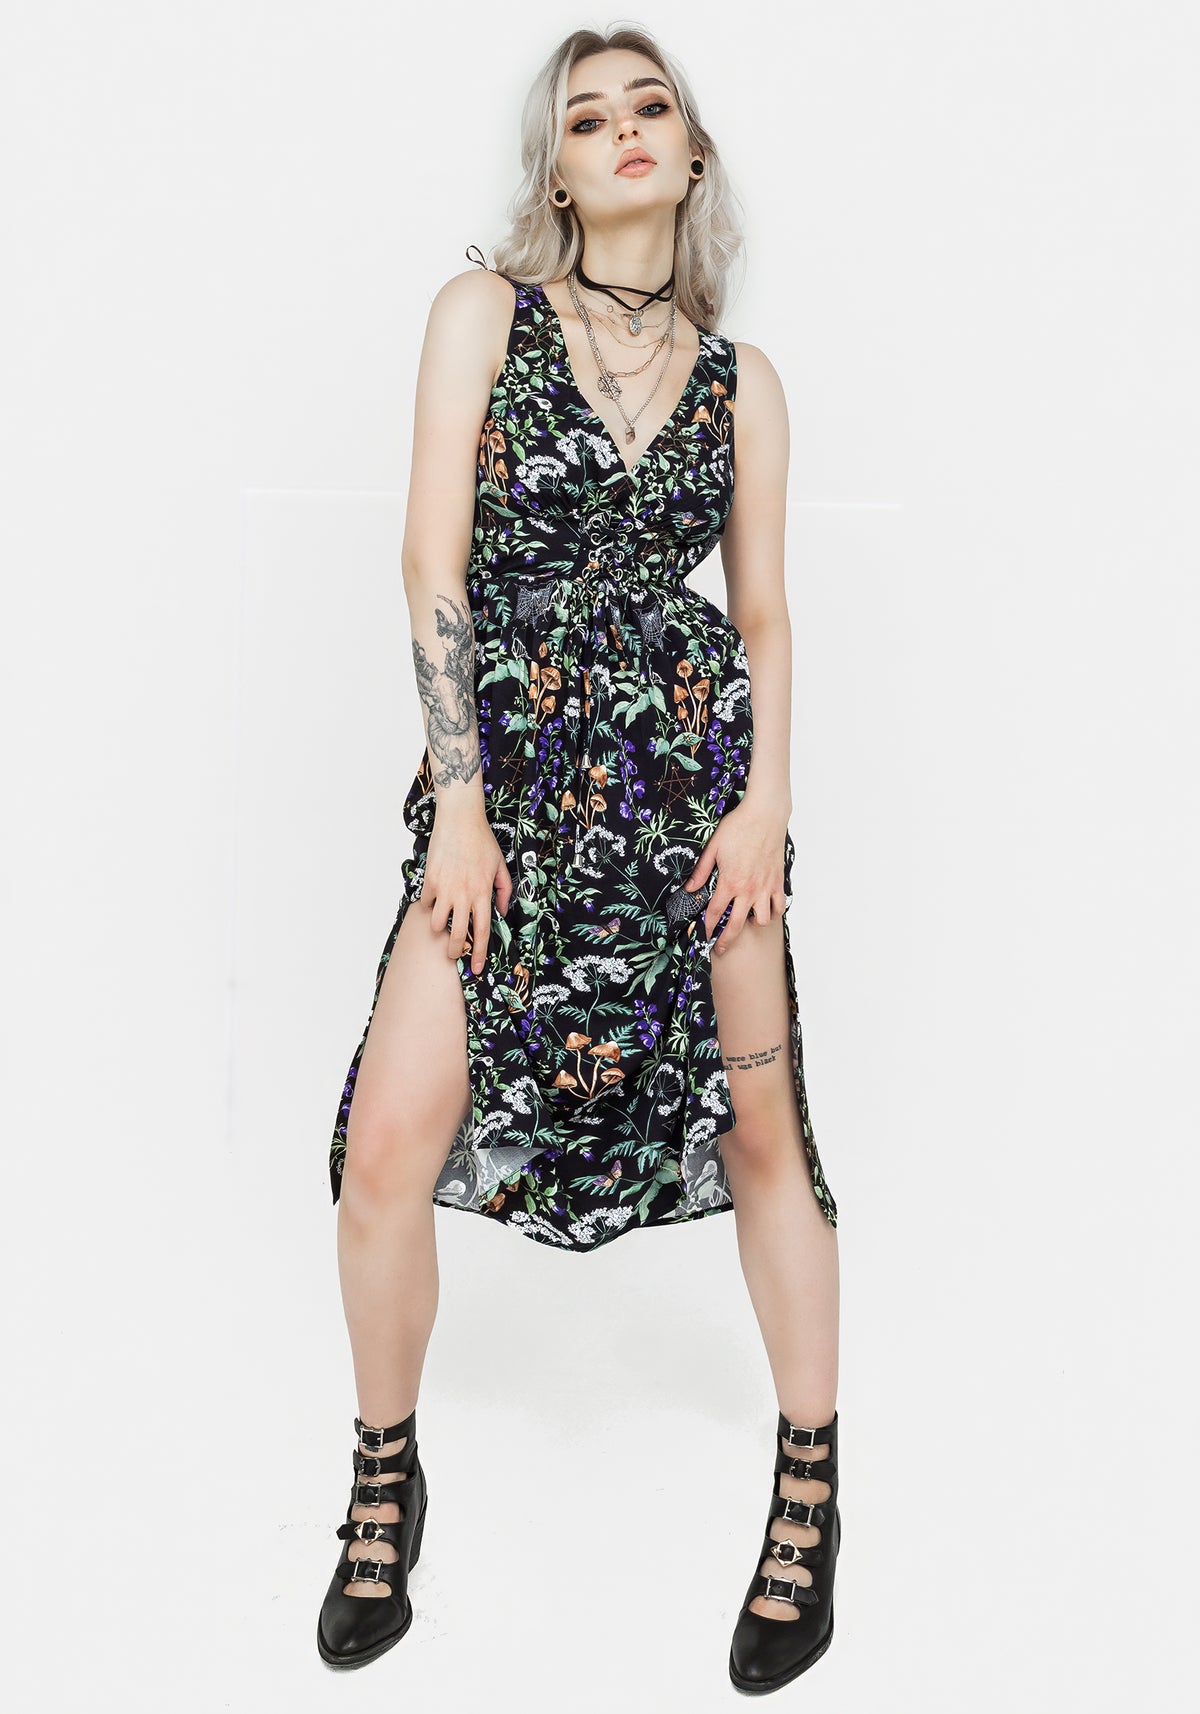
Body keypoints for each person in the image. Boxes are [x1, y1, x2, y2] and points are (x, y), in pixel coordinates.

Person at [316, 23, 843, 1692]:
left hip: (693, 801)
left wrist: (763, 808)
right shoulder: (483, 313)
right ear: (554, 166)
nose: (623, 132)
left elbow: (762, 615)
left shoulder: (746, 383)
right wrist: (461, 806)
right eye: (588, 116)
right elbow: (432, 564)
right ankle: (384, 1474)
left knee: (765, 1131)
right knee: (387, 1143)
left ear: (691, 154)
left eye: (650, 107)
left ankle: (810, 1486)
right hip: (510, 785)